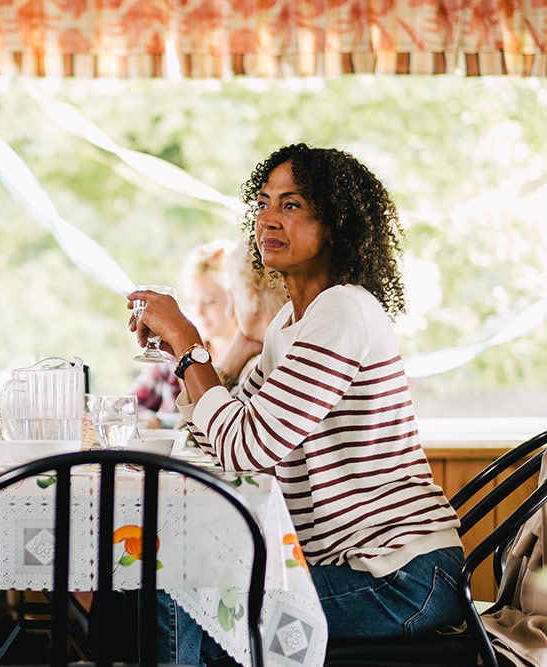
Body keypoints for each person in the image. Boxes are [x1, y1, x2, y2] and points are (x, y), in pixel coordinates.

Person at [128, 144, 464, 664]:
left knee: (190, 602)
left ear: (334, 224)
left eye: (291, 205)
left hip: (401, 577)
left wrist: (192, 343)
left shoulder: (343, 312)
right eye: (263, 203)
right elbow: (220, 438)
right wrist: (182, 354)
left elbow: (247, 448)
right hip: (359, 567)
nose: (267, 219)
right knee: (176, 581)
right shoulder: (290, 324)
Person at [129, 241, 237, 425]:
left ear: (235, 296)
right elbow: (126, 407)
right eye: (192, 302)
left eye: (209, 301)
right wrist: (146, 418)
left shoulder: (254, 366)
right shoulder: (173, 357)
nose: (199, 312)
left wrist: (161, 422)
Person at [211, 243, 289, 395]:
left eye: (232, 293)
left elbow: (195, 418)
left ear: (250, 294)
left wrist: (230, 363)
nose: (229, 312)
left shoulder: (272, 371)